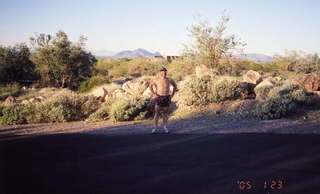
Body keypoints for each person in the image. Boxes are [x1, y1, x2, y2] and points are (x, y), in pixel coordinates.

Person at [149, 67, 177, 133]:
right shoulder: (156, 79)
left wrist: (172, 95)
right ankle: (155, 127)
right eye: (162, 72)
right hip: (159, 97)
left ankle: (165, 127)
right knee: (157, 113)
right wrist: (154, 93)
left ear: (166, 72)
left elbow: (175, 87)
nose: (164, 73)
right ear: (160, 72)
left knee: (165, 113)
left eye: (165, 71)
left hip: (166, 97)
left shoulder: (170, 80)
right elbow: (150, 86)